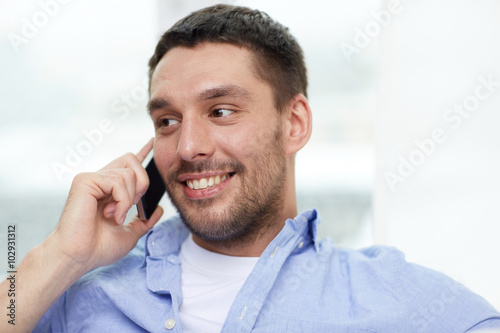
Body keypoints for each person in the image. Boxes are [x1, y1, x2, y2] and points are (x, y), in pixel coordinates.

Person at [2, 4, 500, 332]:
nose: (189, 145)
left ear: (294, 123)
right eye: (168, 120)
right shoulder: (80, 299)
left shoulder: (396, 299)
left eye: (221, 111)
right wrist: (60, 257)